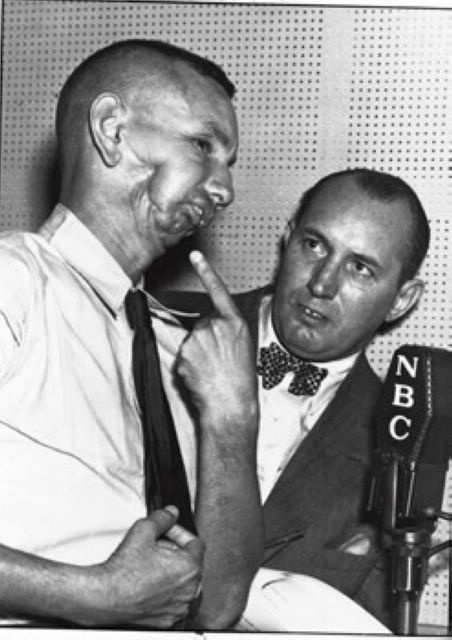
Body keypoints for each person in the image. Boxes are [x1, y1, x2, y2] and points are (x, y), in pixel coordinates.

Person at [0, 39, 263, 629]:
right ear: (111, 130)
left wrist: (232, 418)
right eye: (203, 146)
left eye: (229, 162)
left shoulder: (180, 355)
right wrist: (88, 595)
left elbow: (218, 606)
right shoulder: (12, 285)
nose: (225, 189)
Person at [156, 167, 430, 632]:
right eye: (315, 245)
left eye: (360, 268)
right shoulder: (159, 327)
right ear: (286, 240)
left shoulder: (401, 446)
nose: (322, 283)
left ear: (401, 301)